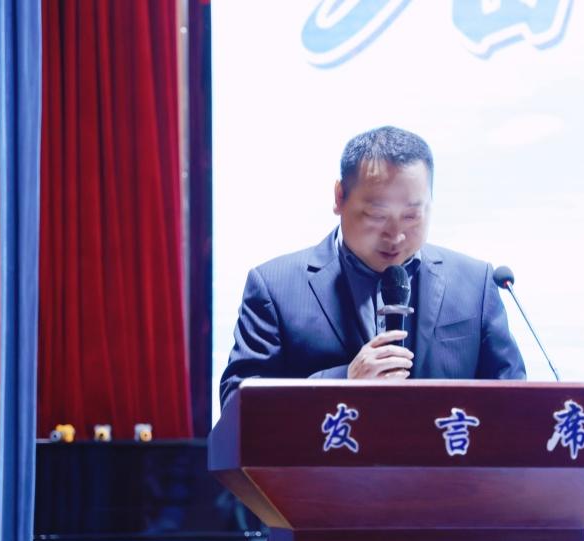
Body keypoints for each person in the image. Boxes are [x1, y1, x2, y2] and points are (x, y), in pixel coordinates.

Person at [220, 126, 525, 407]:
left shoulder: (476, 284)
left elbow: (515, 403)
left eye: (411, 216)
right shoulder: (275, 287)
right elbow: (237, 404)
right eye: (377, 216)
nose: (395, 235)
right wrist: (343, 382)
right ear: (339, 197)